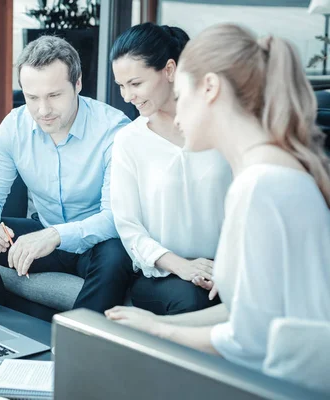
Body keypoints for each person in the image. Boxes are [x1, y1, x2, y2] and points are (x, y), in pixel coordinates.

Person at [106, 23, 330, 376]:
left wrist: (159, 330)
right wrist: (152, 323)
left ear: (209, 88)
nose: (177, 115)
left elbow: (248, 340)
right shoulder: (273, 169)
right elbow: (249, 311)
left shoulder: (258, 185)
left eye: (181, 93)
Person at [0, 35, 133, 313]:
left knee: (115, 254)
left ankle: (79, 343)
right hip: (44, 234)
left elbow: (114, 218)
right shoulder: (15, 125)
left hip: (95, 243)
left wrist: (55, 236)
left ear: (78, 84)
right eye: (32, 97)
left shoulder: (114, 131)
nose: (43, 110)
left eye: (54, 96)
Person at [109, 23, 232, 315]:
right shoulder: (129, 140)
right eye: (121, 86)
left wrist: (230, 269)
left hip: (226, 265)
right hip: (163, 274)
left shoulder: (219, 128)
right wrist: (182, 266)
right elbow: (129, 228)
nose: (127, 96)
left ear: (169, 70)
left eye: (135, 84)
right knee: (194, 302)